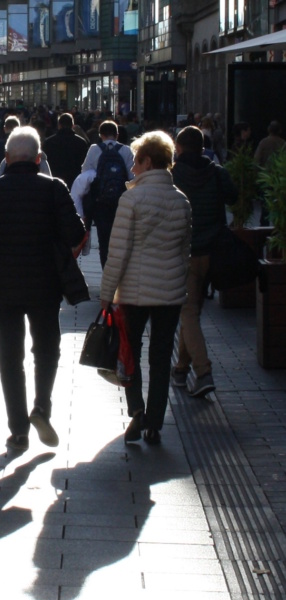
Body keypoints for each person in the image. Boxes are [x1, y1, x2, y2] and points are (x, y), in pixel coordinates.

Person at [0, 126, 85, 452]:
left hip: (3, 287)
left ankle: (18, 429)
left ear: (6, 158)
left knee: (10, 358)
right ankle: (42, 407)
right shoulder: (54, 189)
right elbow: (76, 233)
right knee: (47, 350)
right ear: (38, 158)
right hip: (45, 286)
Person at [99, 131, 192, 445]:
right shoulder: (181, 201)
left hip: (135, 292)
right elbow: (184, 251)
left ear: (147, 161)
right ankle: (155, 421)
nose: (133, 167)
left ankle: (137, 410)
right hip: (169, 293)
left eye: (136, 160)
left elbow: (119, 252)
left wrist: (106, 293)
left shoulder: (132, 199)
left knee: (131, 351)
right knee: (162, 355)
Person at [170, 126, 237, 398]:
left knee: (188, 311)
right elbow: (233, 198)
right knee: (193, 310)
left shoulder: (172, 175)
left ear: (179, 147)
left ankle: (203, 370)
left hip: (183, 251)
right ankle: (181, 368)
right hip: (212, 251)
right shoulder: (217, 172)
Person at [73, 120, 135, 267]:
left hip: (100, 201)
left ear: (100, 135)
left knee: (103, 238)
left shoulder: (94, 149)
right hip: (121, 201)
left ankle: (105, 268)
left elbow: (85, 172)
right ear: (117, 134)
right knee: (120, 238)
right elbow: (132, 176)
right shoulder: (126, 150)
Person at [42, 112, 88, 189]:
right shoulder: (81, 142)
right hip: (74, 180)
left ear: (59, 125)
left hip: (54, 179)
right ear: (72, 125)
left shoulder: (49, 142)